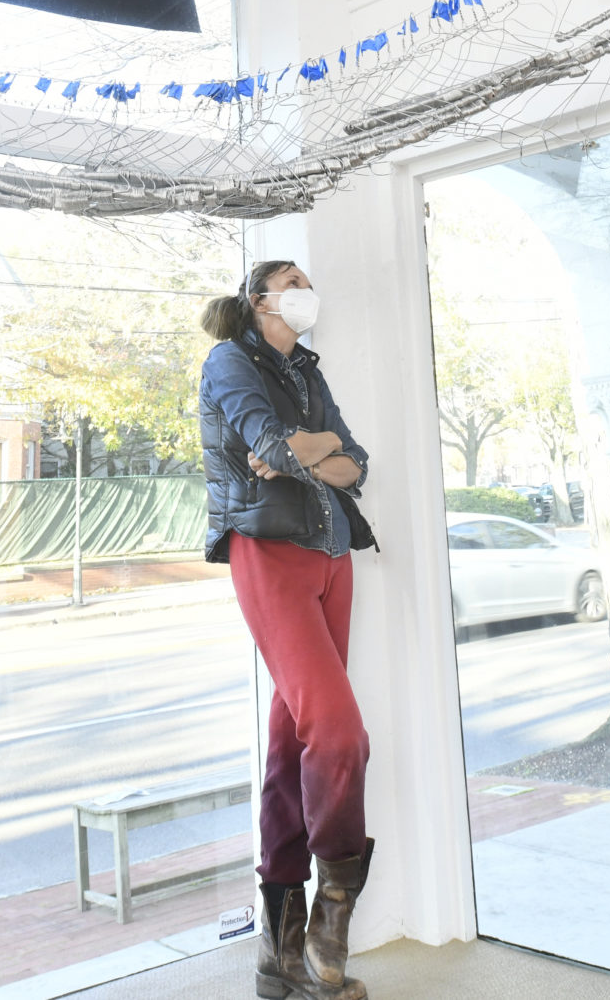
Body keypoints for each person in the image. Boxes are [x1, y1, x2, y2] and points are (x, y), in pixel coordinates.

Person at [198, 261, 376, 1000]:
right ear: (259, 298)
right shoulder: (229, 360)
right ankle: (331, 928)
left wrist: (315, 446)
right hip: (267, 550)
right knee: (340, 736)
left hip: (334, 557)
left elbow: (356, 463)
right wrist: (311, 447)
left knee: (291, 743)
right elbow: (267, 449)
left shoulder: (305, 367)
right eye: (293, 280)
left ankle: (279, 952)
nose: (308, 289)